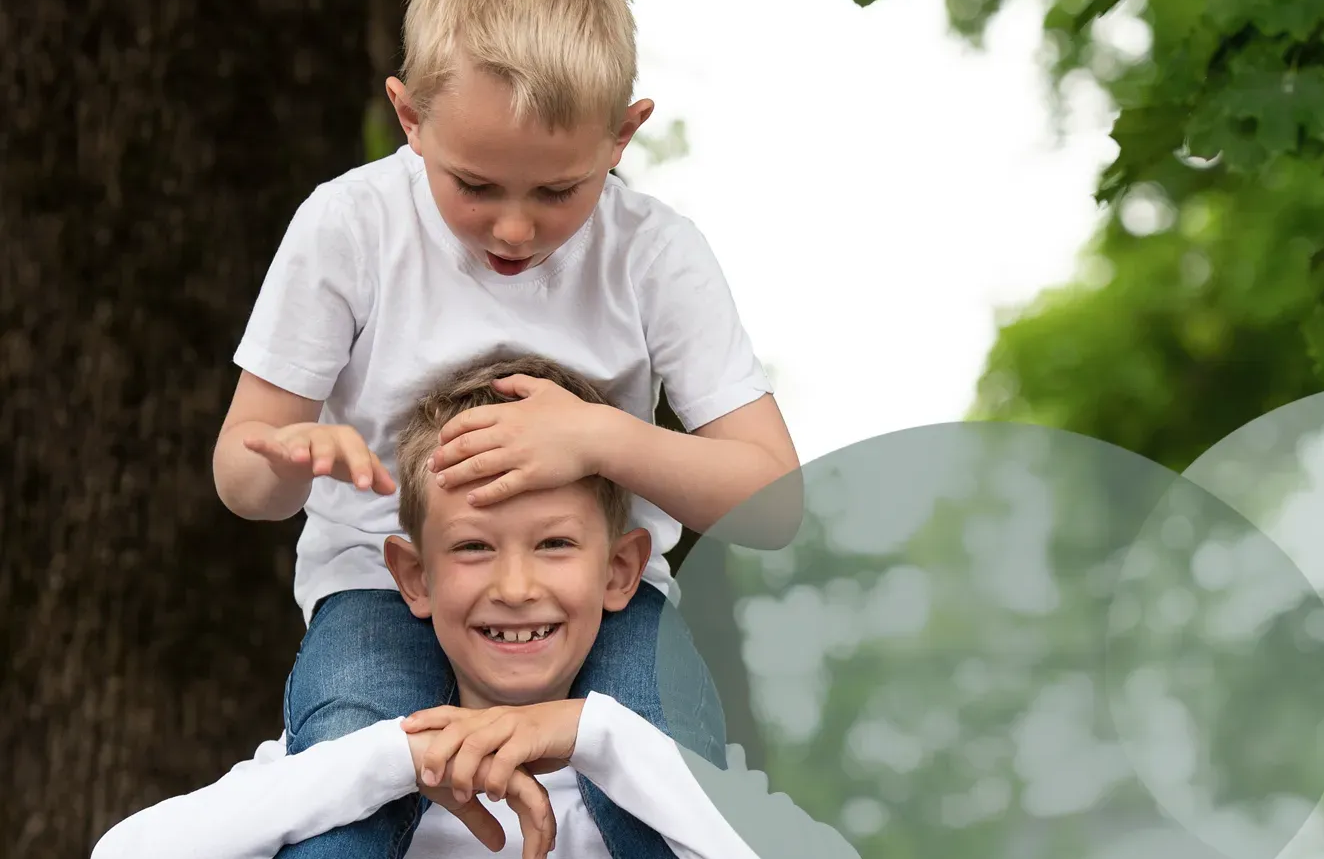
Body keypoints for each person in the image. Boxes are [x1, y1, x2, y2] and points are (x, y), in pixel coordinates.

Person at [210, 0, 802, 857]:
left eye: (558, 191)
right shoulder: (349, 227)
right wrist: (291, 460)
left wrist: (598, 438)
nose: (515, 229)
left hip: (594, 594)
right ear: (410, 118)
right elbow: (242, 478)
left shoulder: (656, 255)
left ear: (622, 135)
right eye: (476, 186)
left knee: (663, 767)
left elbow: (774, 504)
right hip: (383, 583)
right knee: (350, 766)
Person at [101, 358, 843, 859]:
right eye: (474, 548)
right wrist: (397, 759)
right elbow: (122, 852)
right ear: (413, 578)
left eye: (554, 544)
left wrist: (595, 735)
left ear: (620, 572)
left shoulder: (663, 770)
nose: (515, 587)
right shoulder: (346, 764)